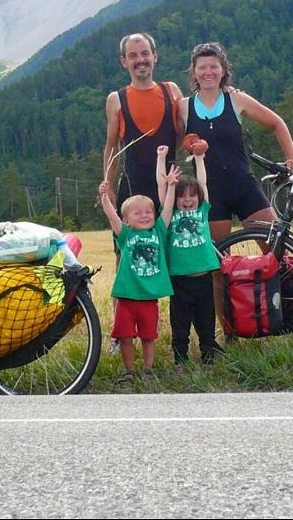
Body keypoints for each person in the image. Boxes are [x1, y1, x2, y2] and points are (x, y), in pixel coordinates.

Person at [101, 33, 184, 354]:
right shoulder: (116, 99)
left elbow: (183, 134)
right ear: (124, 62)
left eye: (145, 53)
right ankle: (120, 336)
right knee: (126, 263)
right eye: (133, 55)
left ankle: (177, 335)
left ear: (155, 56)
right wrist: (106, 190)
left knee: (177, 260)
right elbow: (112, 149)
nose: (140, 60)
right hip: (132, 191)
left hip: (167, 194)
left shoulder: (171, 91)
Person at [179, 41, 293, 241]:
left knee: (278, 251)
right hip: (210, 194)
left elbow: (277, 123)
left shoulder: (237, 100)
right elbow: (170, 139)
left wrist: (292, 158)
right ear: (194, 72)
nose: (208, 72)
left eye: (213, 66)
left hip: (244, 187)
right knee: (217, 264)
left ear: (223, 70)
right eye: (202, 67)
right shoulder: (183, 107)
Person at [98, 157, 178, 384]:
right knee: (124, 336)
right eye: (138, 213)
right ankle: (130, 371)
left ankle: (148, 369)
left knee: (148, 336)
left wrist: (171, 185)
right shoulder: (125, 235)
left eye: (148, 212)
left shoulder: (159, 232)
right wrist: (104, 196)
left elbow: (168, 208)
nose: (145, 216)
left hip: (148, 297)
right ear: (126, 220)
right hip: (126, 296)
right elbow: (111, 215)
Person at [155, 143, 222, 368]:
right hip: (179, 281)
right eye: (182, 196)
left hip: (203, 278)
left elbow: (202, 182)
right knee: (180, 324)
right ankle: (180, 359)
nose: (188, 200)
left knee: (206, 321)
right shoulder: (170, 214)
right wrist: (161, 158)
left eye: (192, 196)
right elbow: (161, 187)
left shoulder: (202, 211)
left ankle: (209, 356)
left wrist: (199, 159)